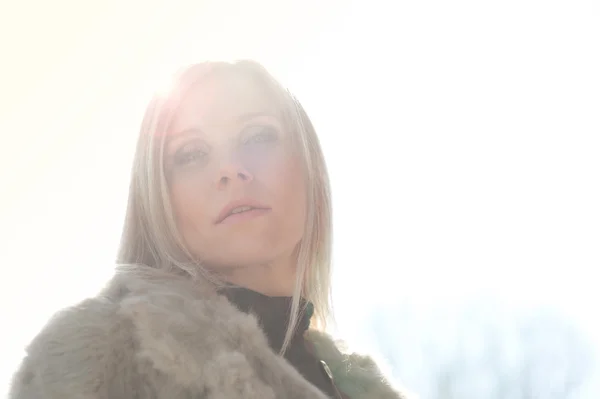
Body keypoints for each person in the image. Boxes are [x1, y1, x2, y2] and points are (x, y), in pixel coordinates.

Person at [9, 60, 406, 399]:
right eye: (192, 153)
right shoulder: (93, 355)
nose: (230, 169)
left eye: (256, 136)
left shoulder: (351, 383)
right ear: (157, 196)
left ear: (309, 166)